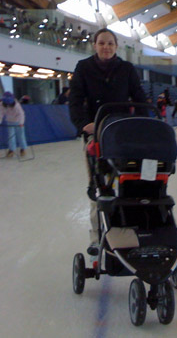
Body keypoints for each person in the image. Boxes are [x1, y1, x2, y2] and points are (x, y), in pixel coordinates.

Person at [68, 28, 146, 257]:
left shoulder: (126, 69)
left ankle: (128, 230)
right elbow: (75, 100)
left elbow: (138, 96)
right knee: (98, 187)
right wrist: (84, 124)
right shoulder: (83, 68)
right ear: (95, 45)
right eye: (102, 43)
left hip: (122, 133)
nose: (106, 47)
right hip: (97, 134)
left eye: (110, 43)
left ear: (116, 46)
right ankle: (96, 236)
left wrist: (149, 120)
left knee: (128, 181)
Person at [0, 91, 28, 158]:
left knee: (21, 136)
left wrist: (21, 123)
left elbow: (21, 114)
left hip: (18, 122)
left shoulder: (17, 105)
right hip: (9, 121)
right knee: (11, 136)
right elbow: (0, 113)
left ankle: (23, 149)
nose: (8, 105)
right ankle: (11, 150)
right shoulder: (1, 104)